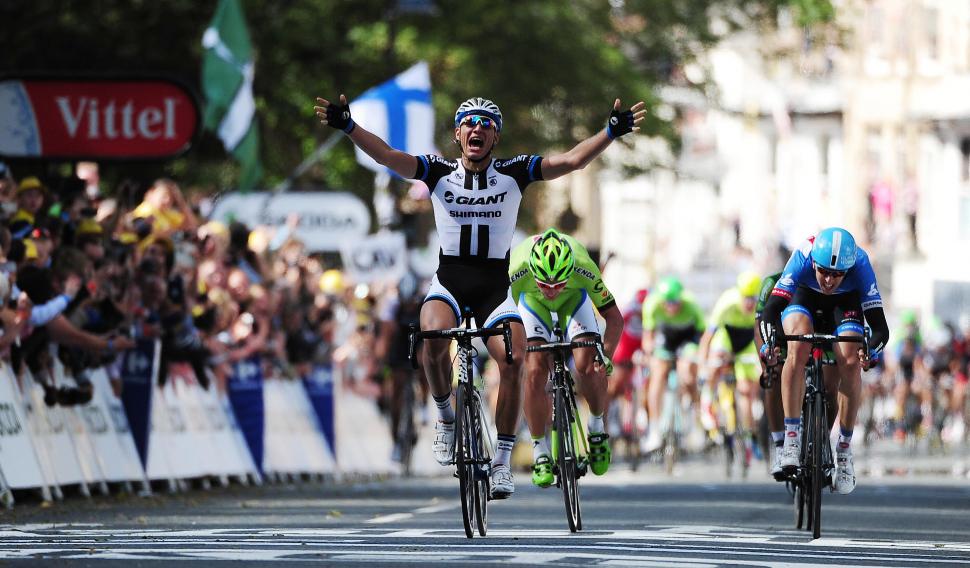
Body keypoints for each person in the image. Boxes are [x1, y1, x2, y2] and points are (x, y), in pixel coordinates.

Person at [315, 92, 645, 498]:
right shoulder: (437, 171)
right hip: (450, 282)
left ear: (496, 138)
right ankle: (445, 417)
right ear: (458, 134)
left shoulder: (515, 171)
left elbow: (572, 161)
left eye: (486, 124)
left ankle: (502, 462)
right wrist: (348, 126)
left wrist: (611, 132)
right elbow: (386, 155)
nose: (477, 129)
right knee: (431, 339)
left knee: (515, 358)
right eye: (469, 122)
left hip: (494, 288)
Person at [760, 227, 889, 494]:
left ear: (848, 269)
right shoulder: (804, 254)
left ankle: (843, 449)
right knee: (797, 342)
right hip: (804, 299)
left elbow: (880, 328)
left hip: (845, 304)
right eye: (824, 272)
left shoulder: (861, 263)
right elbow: (772, 309)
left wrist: (871, 351)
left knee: (851, 361)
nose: (829, 280)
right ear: (814, 264)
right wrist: (770, 344)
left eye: (837, 274)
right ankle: (792, 437)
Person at [508, 229, 623, 487]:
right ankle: (540, 451)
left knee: (586, 364)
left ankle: (596, 429)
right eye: (545, 285)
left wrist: (605, 356)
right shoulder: (516, 268)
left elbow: (615, 319)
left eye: (558, 284)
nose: (551, 291)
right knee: (535, 369)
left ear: (570, 270)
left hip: (574, 301)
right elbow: (504, 318)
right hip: (532, 304)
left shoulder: (583, 266)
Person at [697, 271, 762, 466]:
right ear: (739, 294)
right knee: (716, 360)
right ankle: (707, 399)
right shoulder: (726, 302)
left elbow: (760, 337)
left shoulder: (761, 307)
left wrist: (761, 362)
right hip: (726, 336)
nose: (749, 304)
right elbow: (708, 338)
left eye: (753, 299)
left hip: (747, 341)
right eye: (746, 299)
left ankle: (749, 435)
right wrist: (703, 365)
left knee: (745, 390)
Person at [640, 276, 705, 453]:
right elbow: (648, 338)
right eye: (666, 303)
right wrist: (649, 354)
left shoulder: (691, 305)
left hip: (688, 337)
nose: (670, 307)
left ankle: (694, 419)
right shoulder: (652, 304)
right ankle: (654, 430)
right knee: (658, 373)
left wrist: (698, 356)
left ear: (680, 299)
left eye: (674, 302)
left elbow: (702, 336)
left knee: (687, 373)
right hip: (666, 339)